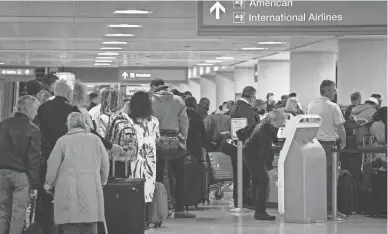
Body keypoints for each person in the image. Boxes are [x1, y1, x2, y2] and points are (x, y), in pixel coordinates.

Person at [36, 79, 119, 234]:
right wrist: (109, 147)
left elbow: (50, 158)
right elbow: (103, 160)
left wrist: (48, 182)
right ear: (69, 93)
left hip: (52, 165)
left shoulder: (42, 109)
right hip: (84, 173)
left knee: (61, 211)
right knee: (89, 216)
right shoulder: (73, 111)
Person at [44, 112, 109, 234]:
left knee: (70, 223)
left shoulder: (62, 141)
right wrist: (102, 181)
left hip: (67, 190)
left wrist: (48, 183)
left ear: (69, 124)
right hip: (91, 188)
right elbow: (105, 164)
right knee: (90, 223)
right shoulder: (96, 140)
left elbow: (52, 164)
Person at [149, 79, 194, 218]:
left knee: (157, 176)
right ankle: (179, 209)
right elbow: (184, 121)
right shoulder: (178, 100)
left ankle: (159, 208)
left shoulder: (150, 100)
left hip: (155, 142)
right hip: (175, 141)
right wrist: (184, 139)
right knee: (180, 176)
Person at [0, 95, 42, 234]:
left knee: (2, 212)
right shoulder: (33, 129)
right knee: (18, 214)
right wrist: (35, 184)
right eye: (35, 110)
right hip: (21, 176)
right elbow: (34, 159)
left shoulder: (3, 124)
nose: (36, 114)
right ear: (29, 109)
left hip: (1, 173)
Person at [306, 80, 346, 217]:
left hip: (313, 145)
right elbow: (341, 128)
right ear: (326, 90)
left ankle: (316, 208)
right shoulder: (333, 106)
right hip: (329, 147)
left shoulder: (311, 105)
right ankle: (330, 209)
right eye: (334, 90)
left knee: (316, 178)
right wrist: (344, 143)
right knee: (330, 178)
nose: (335, 92)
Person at [243, 109, 285, 221]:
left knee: (258, 180)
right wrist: (270, 169)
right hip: (252, 155)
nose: (282, 124)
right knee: (263, 180)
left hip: (251, 153)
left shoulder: (268, 125)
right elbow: (264, 150)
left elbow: (273, 140)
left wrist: (280, 141)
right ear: (273, 120)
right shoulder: (264, 129)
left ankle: (257, 208)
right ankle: (260, 212)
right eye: (281, 121)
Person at [125, 91, 160, 203]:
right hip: (150, 160)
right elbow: (158, 138)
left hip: (133, 158)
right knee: (148, 187)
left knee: (133, 185)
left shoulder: (128, 121)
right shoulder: (154, 121)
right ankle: (146, 215)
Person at [230, 86, 257, 209]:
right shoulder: (246, 109)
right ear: (252, 97)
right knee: (244, 174)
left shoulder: (236, 106)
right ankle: (243, 201)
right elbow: (250, 128)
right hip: (244, 145)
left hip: (236, 145)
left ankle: (238, 200)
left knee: (238, 174)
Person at [185, 97, 206, 161]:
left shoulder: (180, 115)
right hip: (195, 144)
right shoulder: (198, 116)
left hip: (183, 144)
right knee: (196, 165)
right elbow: (203, 133)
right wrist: (203, 147)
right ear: (195, 104)